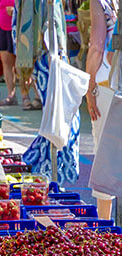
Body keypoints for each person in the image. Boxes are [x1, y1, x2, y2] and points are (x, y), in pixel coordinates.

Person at [85, 0, 119, 218]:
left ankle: (105, 227)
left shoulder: (101, 2)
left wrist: (89, 88)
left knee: (105, 156)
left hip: (108, 83)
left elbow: (97, 47)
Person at [0, 0, 18, 105]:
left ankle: (26, 96)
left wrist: (15, 11)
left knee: (21, 64)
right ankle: (11, 95)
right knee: (6, 63)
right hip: (2, 27)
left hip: (18, 29)